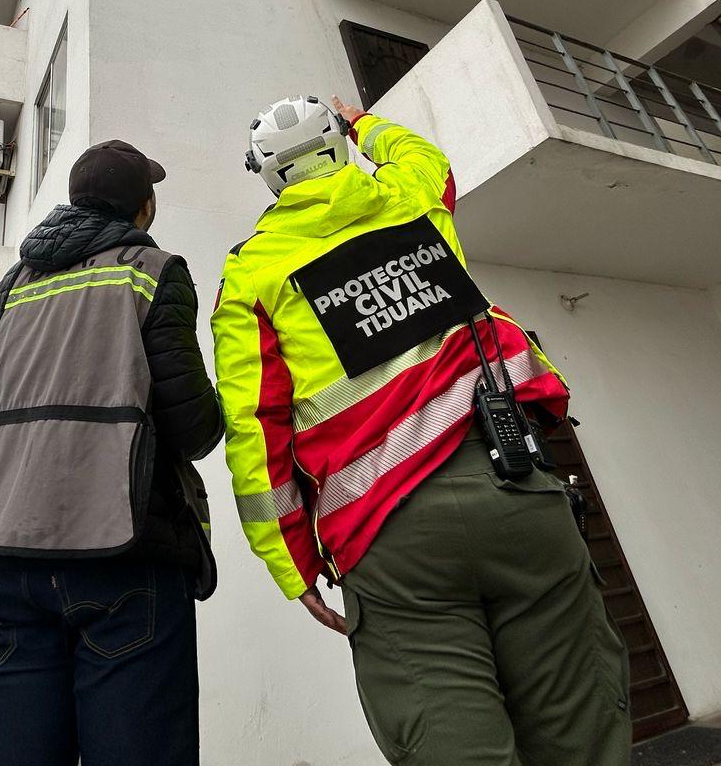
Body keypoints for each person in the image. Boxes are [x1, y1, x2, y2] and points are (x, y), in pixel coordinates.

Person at [212, 95, 630, 766]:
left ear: (266, 174)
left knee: (450, 742)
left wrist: (295, 565)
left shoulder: (249, 276)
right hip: (515, 485)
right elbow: (424, 157)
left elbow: (255, 434)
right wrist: (362, 121)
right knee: (578, 725)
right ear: (340, 145)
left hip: (384, 536)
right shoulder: (409, 199)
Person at [0, 139, 224, 766]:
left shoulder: (13, 286)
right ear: (142, 208)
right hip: (124, 560)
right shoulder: (154, 270)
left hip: (12, 564)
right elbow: (193, 430)